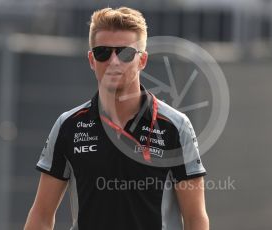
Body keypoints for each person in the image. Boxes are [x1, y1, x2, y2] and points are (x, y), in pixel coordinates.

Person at [24, 6, 209, 230]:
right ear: (92, 60)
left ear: (142, 61)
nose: (113, 62)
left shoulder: (175, 126)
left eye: (125, 53)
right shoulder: (68, 125)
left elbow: (195, 219)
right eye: (103, 52)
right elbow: (41, 216)